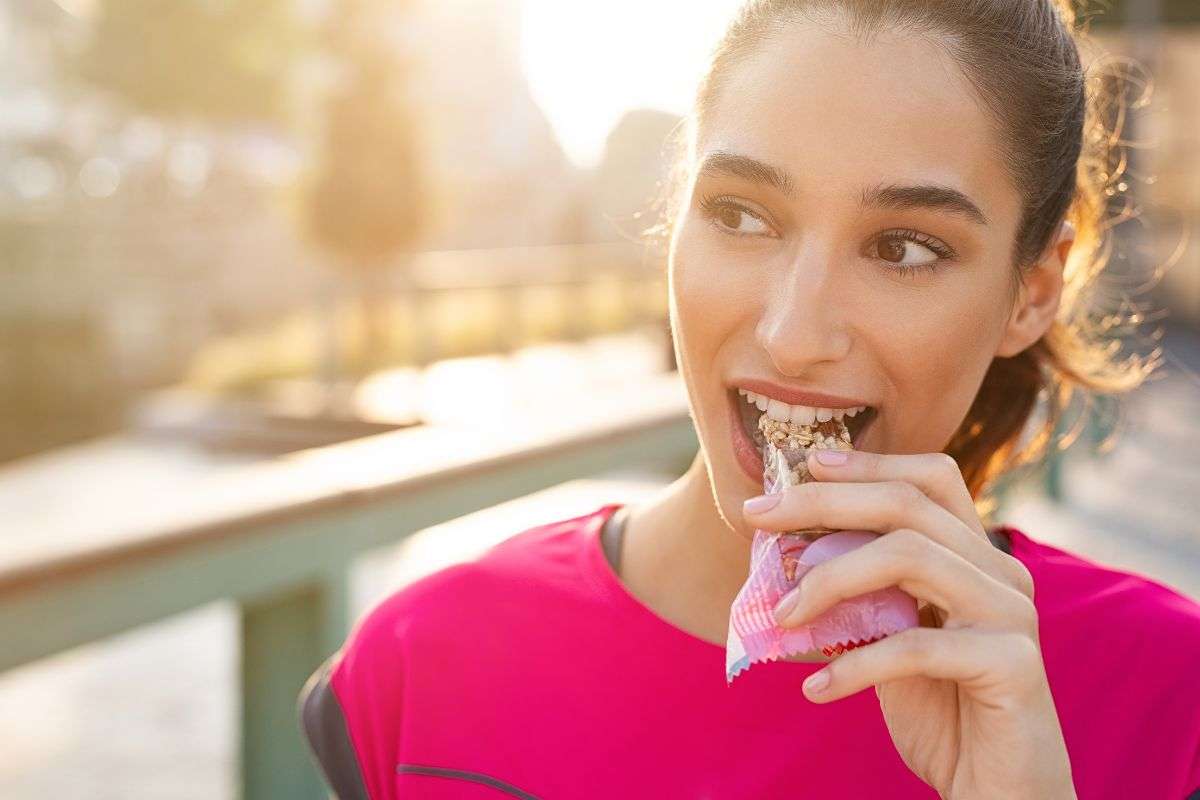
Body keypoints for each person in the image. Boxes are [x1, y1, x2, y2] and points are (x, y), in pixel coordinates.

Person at [298, 2, 1200, 797]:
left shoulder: (1168, 703)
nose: (792, 331)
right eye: (740, 215)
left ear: (1033, 292)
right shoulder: (422, 671)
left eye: (906, 248)